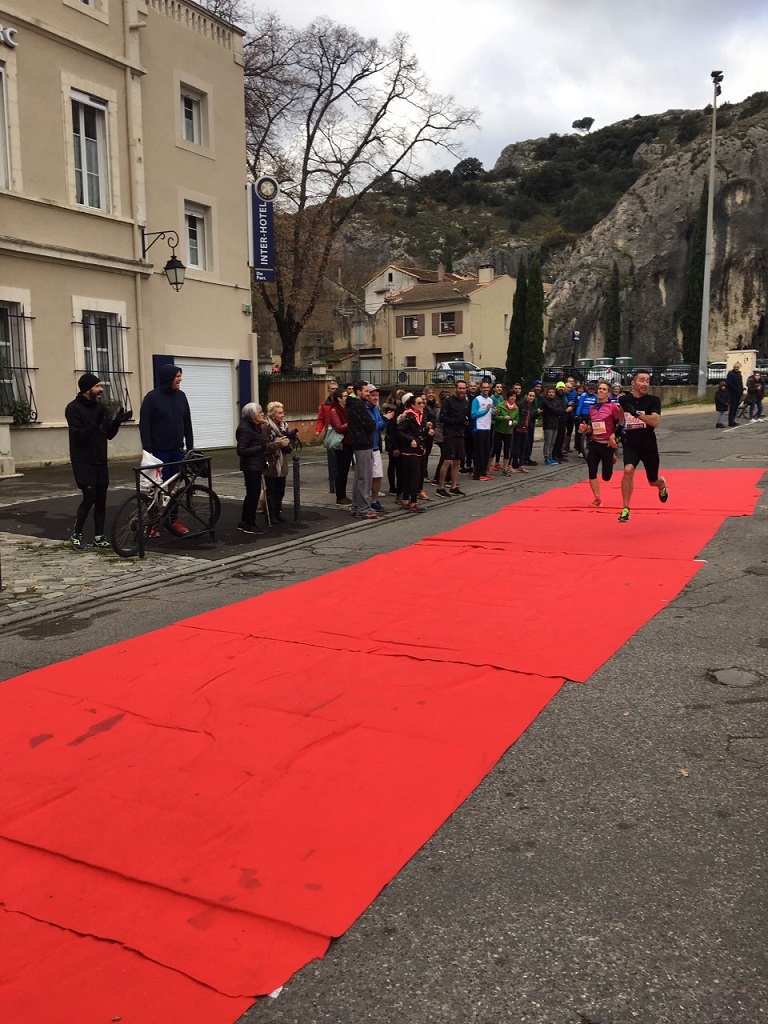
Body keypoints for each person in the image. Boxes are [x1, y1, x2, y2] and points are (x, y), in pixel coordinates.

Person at [65, 372, 131, 551]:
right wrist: (94, 423)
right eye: (98, 386)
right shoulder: (73, 408)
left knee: (101, 499)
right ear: (88, 389)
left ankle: (99, 536)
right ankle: (77, 534)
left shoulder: (101, 408)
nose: (101, 389)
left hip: (100, 461)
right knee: (90, 497)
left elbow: (108, 434)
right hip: (83, 461)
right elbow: (78, 436)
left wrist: (117, 422)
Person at [617, 370, 668, 523]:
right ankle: (626, 508)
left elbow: (655, 422)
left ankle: (662, 485)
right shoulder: (624, 400)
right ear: (633, 383)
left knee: (652, 480)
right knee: (628, 470)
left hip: (648, 445)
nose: (645, 384)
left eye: (647, 381)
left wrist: (637, 414)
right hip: (631, 443)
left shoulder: (653, 400)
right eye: (642, 380)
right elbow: (621, 416)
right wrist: (616, 432)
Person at [580, 381, 624, 506]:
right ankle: (597, 498)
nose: (600, 391)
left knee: (606, 476)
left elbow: (620, 424)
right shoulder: (592, 408)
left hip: (607, 445)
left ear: (608, 393)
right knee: (592, 470)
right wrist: (586, 428)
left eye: (604, 389)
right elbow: (591, 428)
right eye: (599, 388)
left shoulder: (613, 407)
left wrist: (614, 437)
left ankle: (612, 457)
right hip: (594, 443)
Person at [346, 379, 378, 520]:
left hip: (359, 443)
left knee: (360, 477)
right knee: (365, 477)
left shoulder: (354, 405)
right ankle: (363, 509)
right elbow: (370, 425)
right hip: (363, 443)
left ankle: (356, 506)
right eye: (366, 391)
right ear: (358, 392)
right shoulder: (359, 406)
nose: (367, 394)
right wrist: (374, 422)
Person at [235, 402, 268, 535]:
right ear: (253, 415)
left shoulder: (254, 427)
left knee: (252, 494)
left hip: (256, 464)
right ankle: (249, 522)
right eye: (260, 412)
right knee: (252, 495)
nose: (262, 414)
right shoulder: (245, 428)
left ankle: (245, 521)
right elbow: (241, 450)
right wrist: (261, 447)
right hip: (251, 466)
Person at [396, 393, 433, 512]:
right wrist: (410, 439)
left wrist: (428, 431)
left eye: (422, 403)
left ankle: (406, 500)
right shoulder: (407, 416)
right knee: (414, 475)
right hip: (409, 450)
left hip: (419, 449)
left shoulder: (422, 415)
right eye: (419, 403)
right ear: (412, 405)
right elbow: (399, 432)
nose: (422, 405)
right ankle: (413, 502)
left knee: (411, 475)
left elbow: (420, 431)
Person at [435, 381, 469, 498]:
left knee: (458, 461)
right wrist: (457, 420)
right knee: (447, 461)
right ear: (456, 389)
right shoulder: (449, 401)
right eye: (460, 388)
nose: (462, 390)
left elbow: (465, 416)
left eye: (464, 388)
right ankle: (440, 487)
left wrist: (465, 421)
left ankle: (453, 487)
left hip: (460, 434)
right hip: (449, 434)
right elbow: (442, 418)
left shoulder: (465, 401)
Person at [261, 401, 293, 523]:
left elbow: (290, 445)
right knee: (271, 490)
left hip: (282, 461)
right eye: (279, 413)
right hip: (271, 463)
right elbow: (264, 446)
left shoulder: (284, 426)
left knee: (281, 490)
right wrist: (277, 444)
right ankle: (270, 514)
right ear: (272, 415)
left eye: (282, 412)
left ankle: (278, 512)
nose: (282, 415)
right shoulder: (266, 427)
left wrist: (288, 443)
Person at [366, 386, 394, 512]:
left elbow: (380, 427)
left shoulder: (376, 409)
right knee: (366, 476)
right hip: (366, 446)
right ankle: (365, 500)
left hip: (376, 446)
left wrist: (385, 420)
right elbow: (374, 427)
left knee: (378, 475)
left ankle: (374, 500)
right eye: (373, 395)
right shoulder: (365, 409)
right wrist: (385, 418)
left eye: (377, 395)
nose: (376, 398)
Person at [314, 379, 339, 493]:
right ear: (328, 390)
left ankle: (339, 484)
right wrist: (318, 430)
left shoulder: (342, 402)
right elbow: (321, 419)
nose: (334, 391)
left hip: (341, 433)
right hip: (330, 434)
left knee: (340, 461)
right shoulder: (325, 404)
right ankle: (332, 486)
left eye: (336, 389)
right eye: (332, 389)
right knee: (332, 461)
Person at [329, 388, 352, 505]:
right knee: (341, 470)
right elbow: (338, 427)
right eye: (345, 396)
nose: (347, 398)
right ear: (339, 398)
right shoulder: (334, 410)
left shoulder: (347, 409)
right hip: (341, 443)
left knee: (345, 469)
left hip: (349, 442)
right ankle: (340, 496)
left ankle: (343, 495)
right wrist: (350, 423)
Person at [491, 388, 519, 475]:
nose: (513, 398)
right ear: (507, 397)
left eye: (514, 396)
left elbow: (517, 418)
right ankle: (487, 467)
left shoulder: (516, 408)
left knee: (507, 450)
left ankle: (505, 469)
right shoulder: (501, 405)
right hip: (499, 430)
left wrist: (514, 422)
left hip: (509, 431)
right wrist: (503, 418)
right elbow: (495, 417)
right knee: (494, 449)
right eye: (511, 396)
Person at [471, 379, 494, 480]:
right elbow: (473, 414)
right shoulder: (477, 400)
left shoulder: (490, 400)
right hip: (479, 429)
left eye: (487, 388)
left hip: (487, 429)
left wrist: (494, 413)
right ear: (480, 389)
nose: (486, 389)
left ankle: (484, 472)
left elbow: (490, 414)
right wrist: (485, 411)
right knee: (479, 452)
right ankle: (477, 474)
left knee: (485, 452)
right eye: (484, 388)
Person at [540, 386, 564, 466]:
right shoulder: (545, 401)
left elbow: (561, 410)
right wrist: (556, 411)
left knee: (552, 442)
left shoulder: (556, 401)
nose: (551, 394)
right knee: (548, 442)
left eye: (553, 392)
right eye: (550, 392)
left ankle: (550, 457)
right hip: (548, 424)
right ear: (547, 393)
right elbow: (552, 409)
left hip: (555, 423)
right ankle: (547, 458)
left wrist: (557, 411)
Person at [725, 361, 744, 428]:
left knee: (736, 408)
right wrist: (736, 389)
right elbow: (729, 383)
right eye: (735, 367)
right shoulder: (730, 374)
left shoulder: (739, 374)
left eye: (738, 367)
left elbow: (740, 383)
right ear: (733, 367)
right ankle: (731, 421)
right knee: (732, 408)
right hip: (732, 393)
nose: (736, 368)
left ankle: (733, 420)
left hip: (738, 394)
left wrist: (741, 391)